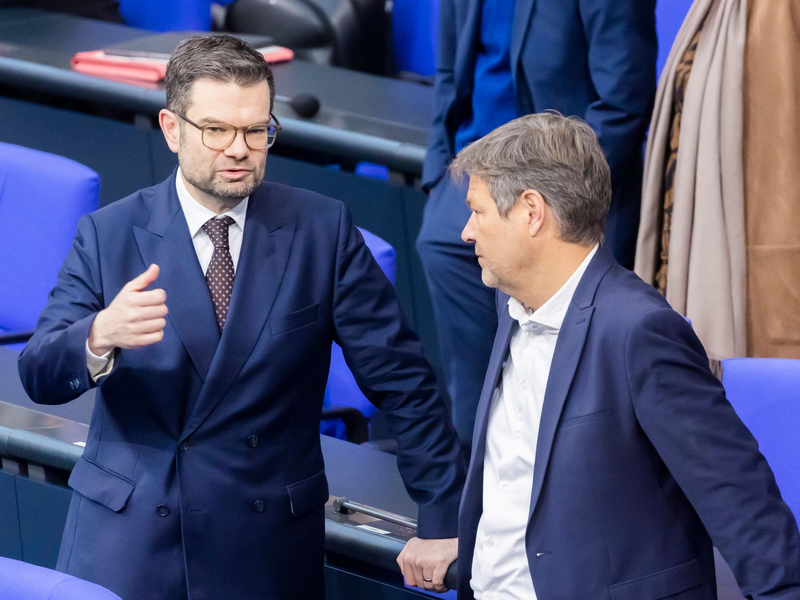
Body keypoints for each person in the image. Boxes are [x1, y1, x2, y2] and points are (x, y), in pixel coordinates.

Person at [18, 35, 465, 600]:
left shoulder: (321, 231)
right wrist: (99, 335)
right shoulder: (110, 234)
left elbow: (404, 381)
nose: (239, 148)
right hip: (130, 536)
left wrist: (443, 517)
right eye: (217, 130)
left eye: (257, 131)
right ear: (172, 128)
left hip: (264, 541)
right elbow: (39, 372)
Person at [401, 112, 800, 598]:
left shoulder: (639, 332)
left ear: (531, 211)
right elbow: (528, 482)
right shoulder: (512, 308)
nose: (465, 232)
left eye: (478, 212)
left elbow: (742, 506)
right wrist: (474, 547)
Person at [416, 0, 658, 455]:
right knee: (472, 392)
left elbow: (624, 101)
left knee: (546, 387)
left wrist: (559, 199)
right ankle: (478, 473)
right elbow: (448, 76)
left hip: (556, 192)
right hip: (470, 173)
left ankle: (543, 482)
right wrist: (437, 174)